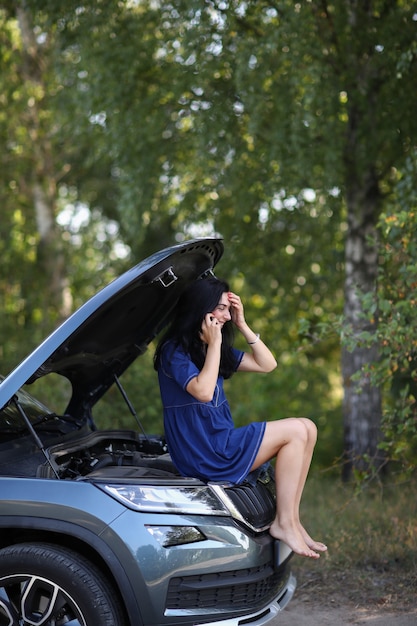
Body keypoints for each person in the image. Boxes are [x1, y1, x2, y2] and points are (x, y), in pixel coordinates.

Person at [154, 276, 327, 559]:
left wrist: (242, 324)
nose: (225, 315)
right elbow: (204, 391)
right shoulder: (175, 351)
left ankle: (292, 522)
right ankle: (284, 523)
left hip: (220, 442)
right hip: (204, 453)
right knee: (297, 430)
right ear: (202, 309)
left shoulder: (209, 347)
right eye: (220, 309)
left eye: (227, 309)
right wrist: (215, 344)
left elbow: (267, 364)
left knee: (308, 427)